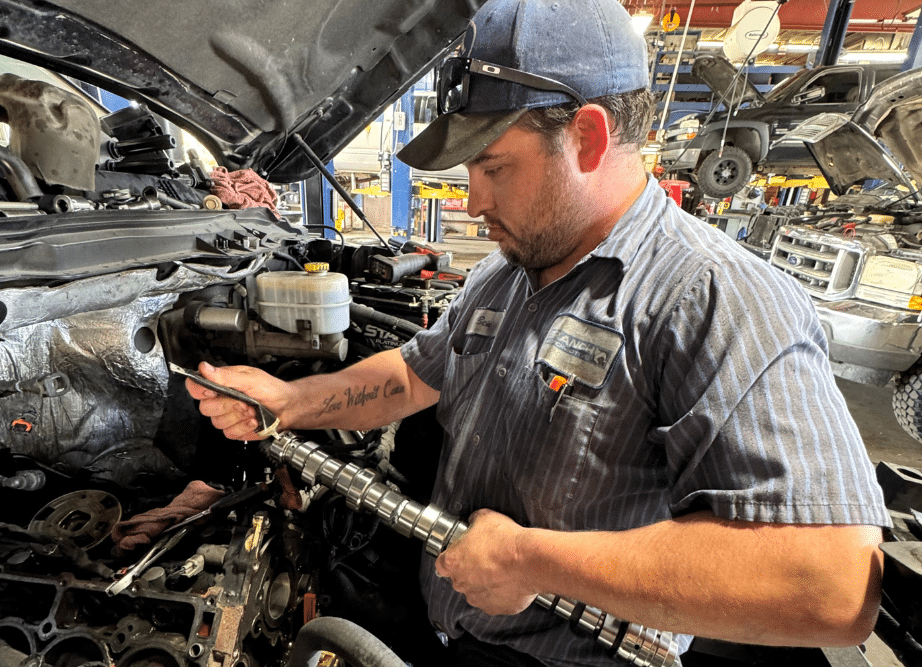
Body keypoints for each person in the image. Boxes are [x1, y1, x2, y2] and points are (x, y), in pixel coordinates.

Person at [186, 0, 890, 664]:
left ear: (586, 137)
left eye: (494, 167)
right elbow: (415, 373)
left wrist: (533, 560)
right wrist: (290, 400)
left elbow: (831, 584)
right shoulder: (506, 273)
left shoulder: (713, 299)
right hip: (455, 630)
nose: (472, 199)